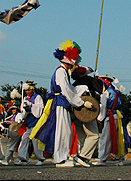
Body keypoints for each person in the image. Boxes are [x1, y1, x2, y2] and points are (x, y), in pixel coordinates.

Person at [30, 39, 94, 168]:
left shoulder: (64, 71)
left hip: (63, 103)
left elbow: (71, 89)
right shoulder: (60, 71)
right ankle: (60, 159)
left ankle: (61, 157)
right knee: (63, 131)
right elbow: (66, 90)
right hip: (59, 103)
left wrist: (83, 89)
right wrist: (81, 103)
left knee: (66, 131)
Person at [93, 74, 131, 167]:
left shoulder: (106, 93)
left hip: (110, 117)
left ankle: (102, 159)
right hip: (119, 116)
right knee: (119, 137)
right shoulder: (116, 91)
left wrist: (100, 118)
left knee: (105, 139)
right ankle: (121, 158)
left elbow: (104, 107)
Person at [71, 65, 104, 167]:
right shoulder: (89, 80)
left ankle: (80, 157)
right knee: (94, 135)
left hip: (75, 112)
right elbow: (101, 89)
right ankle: (83, 157)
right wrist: (97, 79)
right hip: (86, 110)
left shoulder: (73, 84)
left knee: (82, 136)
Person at [15, 80, 46, 166]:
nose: (27, 92)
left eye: (29, 90)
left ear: (33, 90)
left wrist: (31, 105)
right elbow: (23, 111)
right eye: (26, 90)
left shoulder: (37, 97)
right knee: (24, 139)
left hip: (35, 121)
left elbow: (40, 109)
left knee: (35, 141)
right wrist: (22, 115)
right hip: (28, 122)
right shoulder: (24, 98)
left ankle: (40, 158)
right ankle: (23, 158)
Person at [0, 100, 24, 165]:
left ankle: (6, 160)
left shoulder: (18, 114)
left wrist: (18, 122)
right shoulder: (13, 115)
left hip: (15, 132)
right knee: (10, 146)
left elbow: (20, 121)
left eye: (14, 109)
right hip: (13, 132)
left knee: (10, 146)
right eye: (12, 109)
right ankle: (9, 160)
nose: (13, 110)